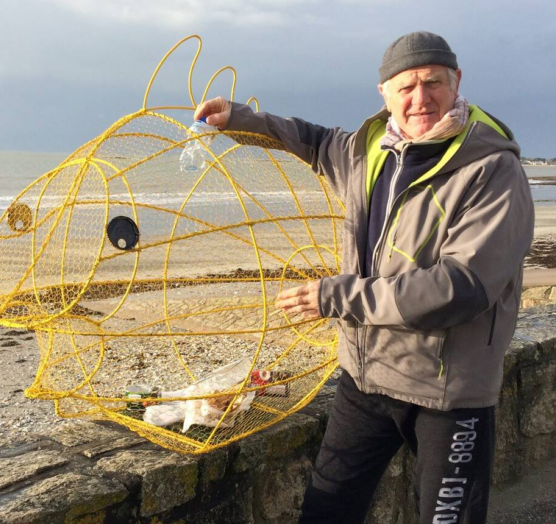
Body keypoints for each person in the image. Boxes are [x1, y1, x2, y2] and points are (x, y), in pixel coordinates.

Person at [195, 31, 534, 524]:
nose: (421, 98)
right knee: (326, 511)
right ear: (384, 93)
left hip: (448, 391)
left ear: (456, 80)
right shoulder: (366, 148)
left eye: (433, 82)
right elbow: (309, 140)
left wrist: (336, 296)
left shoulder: (491, 169)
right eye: (406, 87)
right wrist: (239, 119)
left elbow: (460, 289)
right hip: (366, 377)